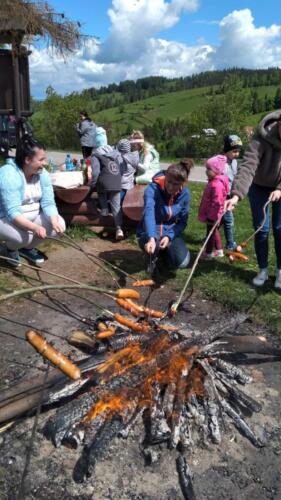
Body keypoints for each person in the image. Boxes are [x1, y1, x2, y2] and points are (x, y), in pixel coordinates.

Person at [225, 110, 281, 288]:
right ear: (279, 124)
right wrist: (236, 195)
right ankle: (263, 269)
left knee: (280, 229)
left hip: (280, 188)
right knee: (261, 230)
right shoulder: (260, 139)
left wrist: (280, 188)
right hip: (258, 187)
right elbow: (248, 165)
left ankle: (280, 271)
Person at [0, 135, 65, 267]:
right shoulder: (9, 174)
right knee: (24, 237)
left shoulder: (43, 174)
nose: (45, 163)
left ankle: (27, 248)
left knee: (59, 224)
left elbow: (48, 203)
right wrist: (34, 228)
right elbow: (12, 212)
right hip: (5, 218)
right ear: (28, 160)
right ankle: (10, 249)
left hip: (29, 217)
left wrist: (53, 220)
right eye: (41, 159)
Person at [137, 160, 194, 275]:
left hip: (170, 231)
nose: (171, 186)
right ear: (165, 176)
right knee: (153, 243)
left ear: (183, 182)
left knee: (182, 263)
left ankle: (162, 252)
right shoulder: (152, 189)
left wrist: (169, 236)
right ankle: (151, 255)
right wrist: (151, 237)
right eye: (169, 182)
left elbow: (183, 222)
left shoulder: (185, 194)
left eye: (176, 184)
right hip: (151, 230)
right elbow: (149, 213)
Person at [90, 127, 124, 241]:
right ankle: (119, 229)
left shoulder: (96, 154)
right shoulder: (114, 152)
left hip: (104, 183)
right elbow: (120, 167)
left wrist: (93, 184)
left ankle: (104, 211)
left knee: (101, 192)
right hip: (117, 182)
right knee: (116, 207)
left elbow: (95, 172)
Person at [198, 155, 229, 259]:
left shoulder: (217, 185)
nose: (206, 171)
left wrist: (212, 216)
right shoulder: (213, 182)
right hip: (211, 213)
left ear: (216, 170)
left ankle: (208, 252)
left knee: (210, 233)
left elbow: (217, 202)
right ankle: (219, 250)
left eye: (208, 169)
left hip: (213, 214)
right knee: (213, 231)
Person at [221, 134, 243, 250]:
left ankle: (209, 238)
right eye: (234, 151)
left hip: (229, 195)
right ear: (227, 150)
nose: (237, 154)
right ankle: (230, 243)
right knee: (228, 220)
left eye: (238, 151)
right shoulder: (221, 163)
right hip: (221, 196)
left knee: (219, 219)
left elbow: (234, 176)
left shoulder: (234, 162)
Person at [116, 138, 139, 203]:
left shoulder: (119, 158)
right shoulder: (134, 156)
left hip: (121, 185)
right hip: (130, 184)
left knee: (117, 202)